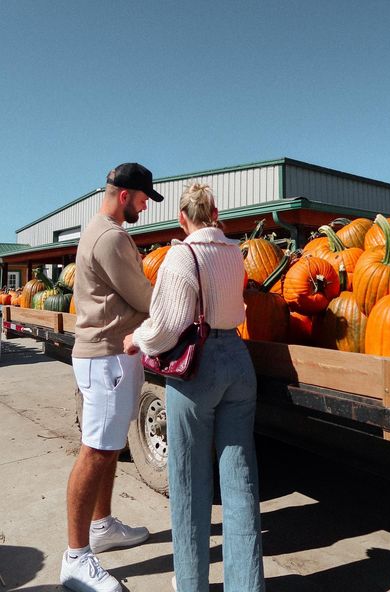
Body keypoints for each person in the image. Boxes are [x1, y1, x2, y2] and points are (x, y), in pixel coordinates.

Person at [124, 183, 265, 592]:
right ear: (216, 212)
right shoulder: (235, 253)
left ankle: (191, 583)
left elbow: (168, 326)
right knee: (240, 482)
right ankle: (246, 585)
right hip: (238, 361)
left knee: (189, 482)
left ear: (182, 219)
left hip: (197, 369)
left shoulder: (181, 257)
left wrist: (137, 339)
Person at [60, 163, 165, 592]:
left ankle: (101, 526)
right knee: (96, 453)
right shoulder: (112, 237)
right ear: (125, 195)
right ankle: (75, 559)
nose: (145, 206)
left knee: (107, 445)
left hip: (104, 356)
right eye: (143, 199)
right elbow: (143, 295)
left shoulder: (97, 228)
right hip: (108, 356)